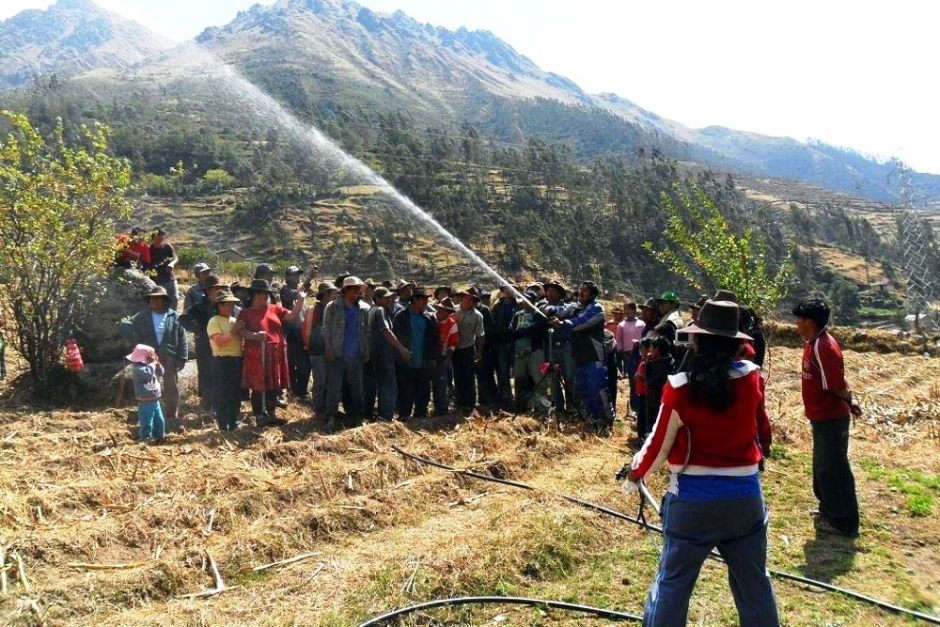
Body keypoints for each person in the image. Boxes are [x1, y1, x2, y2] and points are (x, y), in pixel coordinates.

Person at [621, 299, 780, 627]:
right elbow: (763, 430)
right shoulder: (752, 379)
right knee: (754, 584)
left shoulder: (680, 386)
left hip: (692, 503)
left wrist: (635, 473)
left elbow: (657, 444)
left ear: (697, 341)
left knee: (674, 583)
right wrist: (759, 454)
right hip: (745, 499)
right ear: (737, 343)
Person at [793, 298, 861, 537]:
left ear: (809, 321)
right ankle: (828, 509)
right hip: (821, 416)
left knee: (834, 468)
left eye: (799, 318)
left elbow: (836, 384)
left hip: (831, 417)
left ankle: (843, 521)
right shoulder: (813, 342)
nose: (796, 323)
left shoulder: (824, 346)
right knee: (822, 467)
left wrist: (849, 399)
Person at [236, 279, 305, 427]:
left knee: (273, 385)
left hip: (275, 353)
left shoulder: (275, 308)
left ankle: (272, 414)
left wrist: (301, 300)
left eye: (265, 295)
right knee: (258, 385)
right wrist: (254, 335)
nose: (263, 298)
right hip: (257, 353)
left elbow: (292, 316)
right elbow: (240, 331)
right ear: (253, 295)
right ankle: (260, 414)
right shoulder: (245, 312)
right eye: (259, 295)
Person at [549, 281, 614, 430]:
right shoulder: (575, 306)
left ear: (592, 295)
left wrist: (562, 323)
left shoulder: (597, 309)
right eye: (580, 289)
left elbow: (581, 323)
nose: (581, 293)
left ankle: (606, 421)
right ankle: (592, 418)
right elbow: (562, 309)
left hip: (594, 355)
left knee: (597, 388)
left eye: (585, 291)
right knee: (583, 388)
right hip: (579, 355)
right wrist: (551, 309)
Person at [119, 286, 188, 423]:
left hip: (169, 355)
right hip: (148, 356)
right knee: (147, 386)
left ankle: (171, 416)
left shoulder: (174, 316)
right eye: (152, 298)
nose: (154, 301)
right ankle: (148, 415)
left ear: (164, 301)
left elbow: (182, 337)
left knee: (171, 386)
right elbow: (126, 324)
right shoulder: (142, 316)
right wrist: (137, 342)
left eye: (157, 298)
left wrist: (182, 357)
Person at [322, 276, 371, 430]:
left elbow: (367, 331)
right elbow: (326, 328)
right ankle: (331, 418)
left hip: (356, 355)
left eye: (358, 288)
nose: (357, 291)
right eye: (355, 288)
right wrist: (328, 348)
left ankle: (358, 417)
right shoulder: (333, 307)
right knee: (334, 388)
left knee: (357, 388)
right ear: (347, 290)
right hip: (337, 354)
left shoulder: (363, 308)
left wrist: (366, 349)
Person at [180, 275, 227, 411]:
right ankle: (207, 403)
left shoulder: (223, 305)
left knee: (220, 373)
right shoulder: (199, 307)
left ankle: (219, 403)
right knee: (206, 373)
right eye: (215, 288)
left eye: (219, 288)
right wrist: (197, 330)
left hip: (222, 345)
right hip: (204, 345)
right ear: (208, 290)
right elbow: (183, 319)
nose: (218, 291)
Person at [392, 288, 439, 420]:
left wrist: (435, 357)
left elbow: (435, 339)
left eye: (426, 299)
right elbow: (396, 338)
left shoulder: (429, 318)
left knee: (423, 391)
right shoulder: (401, 316)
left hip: (424, 360)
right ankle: (404, 416)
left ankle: (420, 415)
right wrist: (400, 354)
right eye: (422, 299)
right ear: (414, 299)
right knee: (405, 391)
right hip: (406, 361)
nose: (425, 301)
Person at [365, 286, 410, 421]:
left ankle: (376, 415)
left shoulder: (371, 310)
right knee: (389, 387)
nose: (390, 300)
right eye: (386, 298)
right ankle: (385, 417)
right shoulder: (380, 310)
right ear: (377, 299)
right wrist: (401, 348)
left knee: (376, 387)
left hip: (374, 355)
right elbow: (386, 331)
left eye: (390, 297)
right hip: (384, 355)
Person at [207, 291, 244, 431]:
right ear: (219, 306)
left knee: (235, 393)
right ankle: (222, 424)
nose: (230, 307)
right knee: (221, 393)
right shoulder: (214, 321)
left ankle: (233, 422)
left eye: (232, 305)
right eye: (227, 304)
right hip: (221, 361)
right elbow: (219, 342)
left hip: (236, 360)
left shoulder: (234, 321)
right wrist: (234, 331)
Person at [303, 281, 337, 418]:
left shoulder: (331, 308)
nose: (335, 295)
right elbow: (308, 328)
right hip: (318, 350)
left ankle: (327, 409)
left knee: (329, 381)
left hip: (329, 350)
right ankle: (318, 409)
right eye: (333, 293)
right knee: (320, 381)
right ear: (326, 295)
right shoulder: (316, 309)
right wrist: (309, 344)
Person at [452, 288, 485, 411]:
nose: (468, 301)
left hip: (468, 348)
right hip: (454, 349)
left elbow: (480, 335)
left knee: (469, 377)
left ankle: (470, 404)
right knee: (457, 376)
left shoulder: (478, 316)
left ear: (474, 301)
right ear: (462, 298)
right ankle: (459, 402)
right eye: (466, 298)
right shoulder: (453, 310)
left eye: (471, 299)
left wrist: (479, 351)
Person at [281, 266, 311, 399]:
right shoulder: (285, 290)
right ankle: (293, 390)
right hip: (291, 332)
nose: (297, 277)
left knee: (304, 362)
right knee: (292, 362)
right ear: (287, 277)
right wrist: (310, 278)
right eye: (293, 275)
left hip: (302, 331)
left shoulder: (301, 293)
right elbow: (297, 293)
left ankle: (302, 390)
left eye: (298, 275)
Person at [127, 344, 165, 443]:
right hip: (145, 401)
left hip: (155, 399)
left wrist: (157, 363)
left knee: (159, 420)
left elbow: (161, 372)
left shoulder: (151, 365)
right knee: (147, 421)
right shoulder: (138, 369)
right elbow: (147, 374)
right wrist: (152, 363)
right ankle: (146, 438)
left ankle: (159, 436)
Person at [491, 284, 519, 405]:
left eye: (511, 289)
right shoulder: (497, 306)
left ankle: (519, 395)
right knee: (503, 371)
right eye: (506, 289)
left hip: (516, 341)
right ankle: (506, 395)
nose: (509, 291)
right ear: (503, 291)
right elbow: (494, 324)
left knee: (518, 370)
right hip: (502, 342)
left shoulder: (519, 304)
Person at [432, 297, 459, 416]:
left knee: (441, 384)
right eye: (439, 309)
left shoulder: (452, 325)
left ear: (448, 313)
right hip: (428, 355)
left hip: (441, 356)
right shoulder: (431, 318)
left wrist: (447, 359)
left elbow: (453, 344)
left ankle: (442, 410)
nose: (439, 312)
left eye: (443, 311)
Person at [148, 228, 179, 306]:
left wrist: (172, 264)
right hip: (158, 282)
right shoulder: (149, 250)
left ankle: (173, 317)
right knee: (162, 304)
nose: (161, 237)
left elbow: (175, 258)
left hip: (170, 279)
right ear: (153, 237)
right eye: (158, 235)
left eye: (162, 235)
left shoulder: (167, 247)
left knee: (175, 299)